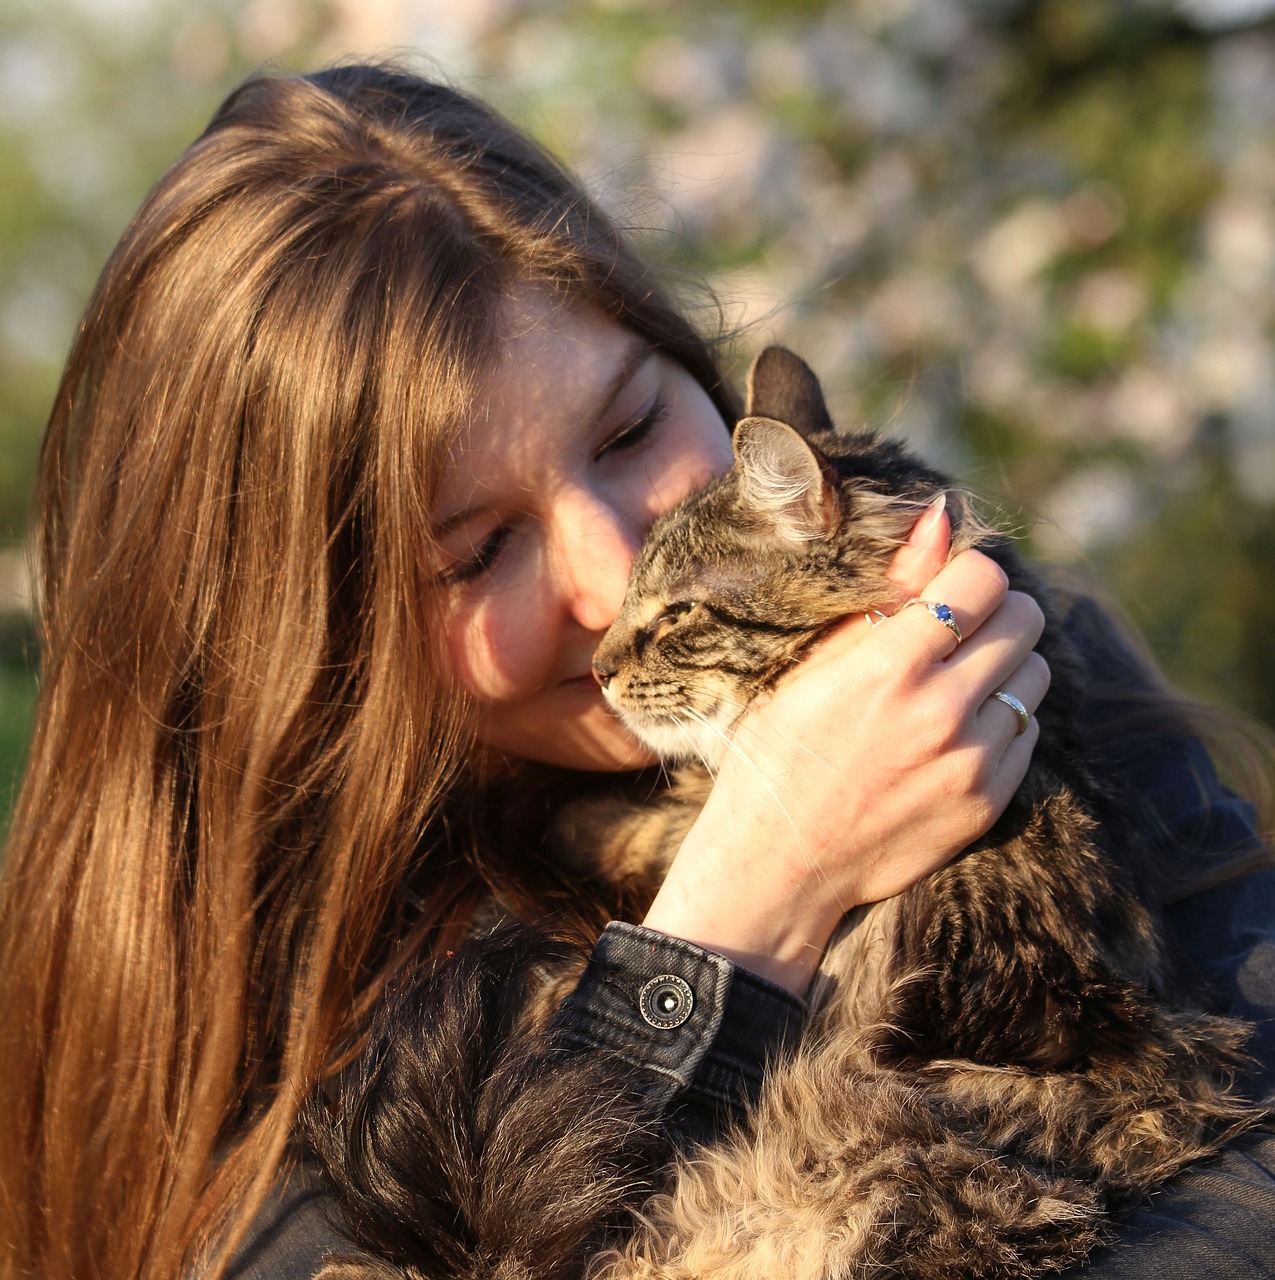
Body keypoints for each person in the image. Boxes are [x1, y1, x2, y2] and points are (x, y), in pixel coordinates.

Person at [0, 62, 1269, 1280]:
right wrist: (746, 904)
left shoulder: (1008, 674)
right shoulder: (268, 1012)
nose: (616, 589)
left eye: (628, 427)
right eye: (479, 549)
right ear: (315, 638)